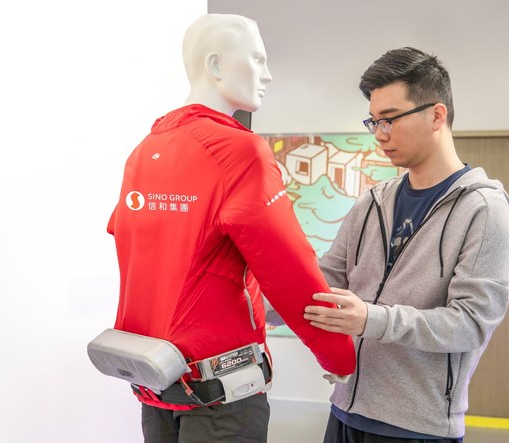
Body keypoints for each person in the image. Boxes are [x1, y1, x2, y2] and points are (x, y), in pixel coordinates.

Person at [106, 13, 356, 443]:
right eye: (257, 59)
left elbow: (135, 245)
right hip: (220, 392)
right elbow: (290, 271)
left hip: (155, 379)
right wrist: (338, 354)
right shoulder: (240, 152)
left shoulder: (145, 151)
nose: (268, 74)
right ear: (216, 64)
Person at [303, 47, 509, 442]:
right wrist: (254, 300)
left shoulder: (485, 212)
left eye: (390, 119)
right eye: (374, 121)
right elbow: (323, 281)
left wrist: (371, 319)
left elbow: (470, 324)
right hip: (344, 411)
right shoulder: (371, 203)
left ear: (437, 115)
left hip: (418, 428)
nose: (380, 134)